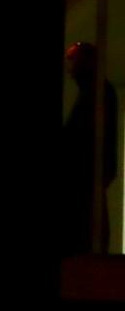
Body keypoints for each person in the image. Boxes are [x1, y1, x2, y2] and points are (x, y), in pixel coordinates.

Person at [63, 42, 116, 254]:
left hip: (83, 183)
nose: (71, 70)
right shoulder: (97, 91)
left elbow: (75, 136)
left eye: (75, 62)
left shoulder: (95, 92)